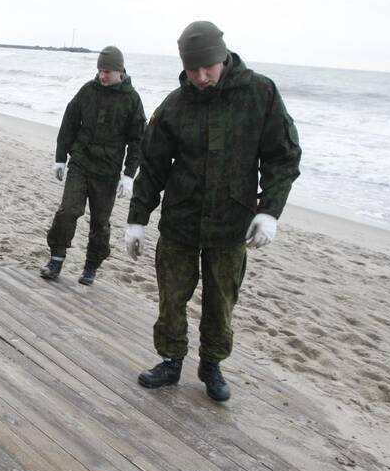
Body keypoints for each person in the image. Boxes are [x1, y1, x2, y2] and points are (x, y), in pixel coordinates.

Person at [126, 21, 301, 402]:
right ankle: (171, 360)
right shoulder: (175, 105)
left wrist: (269, 211)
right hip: (181, 220)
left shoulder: (260, 94)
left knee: (221, 301)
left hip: (231, 222)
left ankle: (212, 365)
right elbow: (152, 165)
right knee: (172, 296)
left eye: (208, 68)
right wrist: (137, 219)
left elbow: (283, 157)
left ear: (223, 56)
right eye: (192, 70)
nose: (201, 77)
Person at [40, 46, 145, 285]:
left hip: (108, 172)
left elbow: (138, 141)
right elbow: (69, 123)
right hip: (81, 163)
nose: (102, 76)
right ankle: (56, 259)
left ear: (120, 71)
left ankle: (91, 267)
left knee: (100, 223)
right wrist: (60, 158)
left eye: (107, 71)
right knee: (68, 211)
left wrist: (129, 175)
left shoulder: (132, 100)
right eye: (99, 70)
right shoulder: (87, 91)